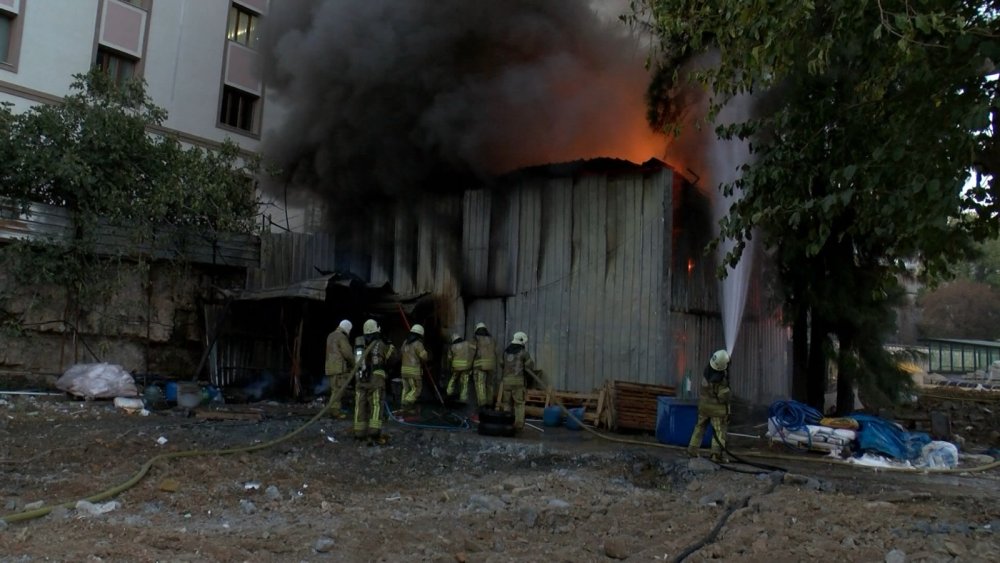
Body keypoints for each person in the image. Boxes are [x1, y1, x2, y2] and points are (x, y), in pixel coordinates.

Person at [353, 319, 396, 445]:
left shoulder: (359, 342)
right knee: (376, 404)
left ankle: (359, 432)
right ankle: (374, 432)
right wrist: (390, 345)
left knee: (359, 404)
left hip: (360, 378)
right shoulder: (381, 343)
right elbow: (392, 358)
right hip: (375, 379)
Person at [688, 349, 732, 463]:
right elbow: (724, 397)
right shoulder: (720, 380)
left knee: (699, 428)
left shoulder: (706, 374)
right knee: (719, 431)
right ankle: (716, 455)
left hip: (703, 408)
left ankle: (692, 450)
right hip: (717, 411)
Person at [497, 331, 536, 432]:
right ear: (521, 341)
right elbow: (530, 366)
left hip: (506, 382)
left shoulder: (505, 352)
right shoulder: (523, 353)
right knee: (519, 403)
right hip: (518, 383)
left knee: (507, 403)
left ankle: (507, 421)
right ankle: (518, 424)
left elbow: (501, 364)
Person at [324, 319, 355, 419]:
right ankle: (335, 412)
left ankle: (332, 410)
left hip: (329, 367)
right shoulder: (342, 337)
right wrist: (355, 364)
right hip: (338, 368)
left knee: (334, 390)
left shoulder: (330, 335)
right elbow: (347, 353)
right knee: (338, 390)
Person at [399, 324, 429, 415]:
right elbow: (424, 357)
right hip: (414, 371)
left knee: (406, 389)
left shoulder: (405, 342)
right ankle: (406, 403)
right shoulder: (418, 344)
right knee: (416, 388)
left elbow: (401, 352)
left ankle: (405, 409)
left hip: (404, 371)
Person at [446, 333, 475, 405]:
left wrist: (449, 367)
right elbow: (474, 349)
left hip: (456, 367)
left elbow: (449, 358)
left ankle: (449, 393)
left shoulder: (452, 347)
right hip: (466, 367)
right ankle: (463, 398)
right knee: (465, 381)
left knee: (453, 379)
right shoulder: (467, 344)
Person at [471, 322, 496, 407]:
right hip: (491, 366)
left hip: (480, 366)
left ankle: (482, 405)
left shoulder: (476, 339)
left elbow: (472, 352)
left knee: (480, 384)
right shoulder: (492, 339)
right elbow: (497, 352)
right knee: (490, 384)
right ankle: (490, 403)